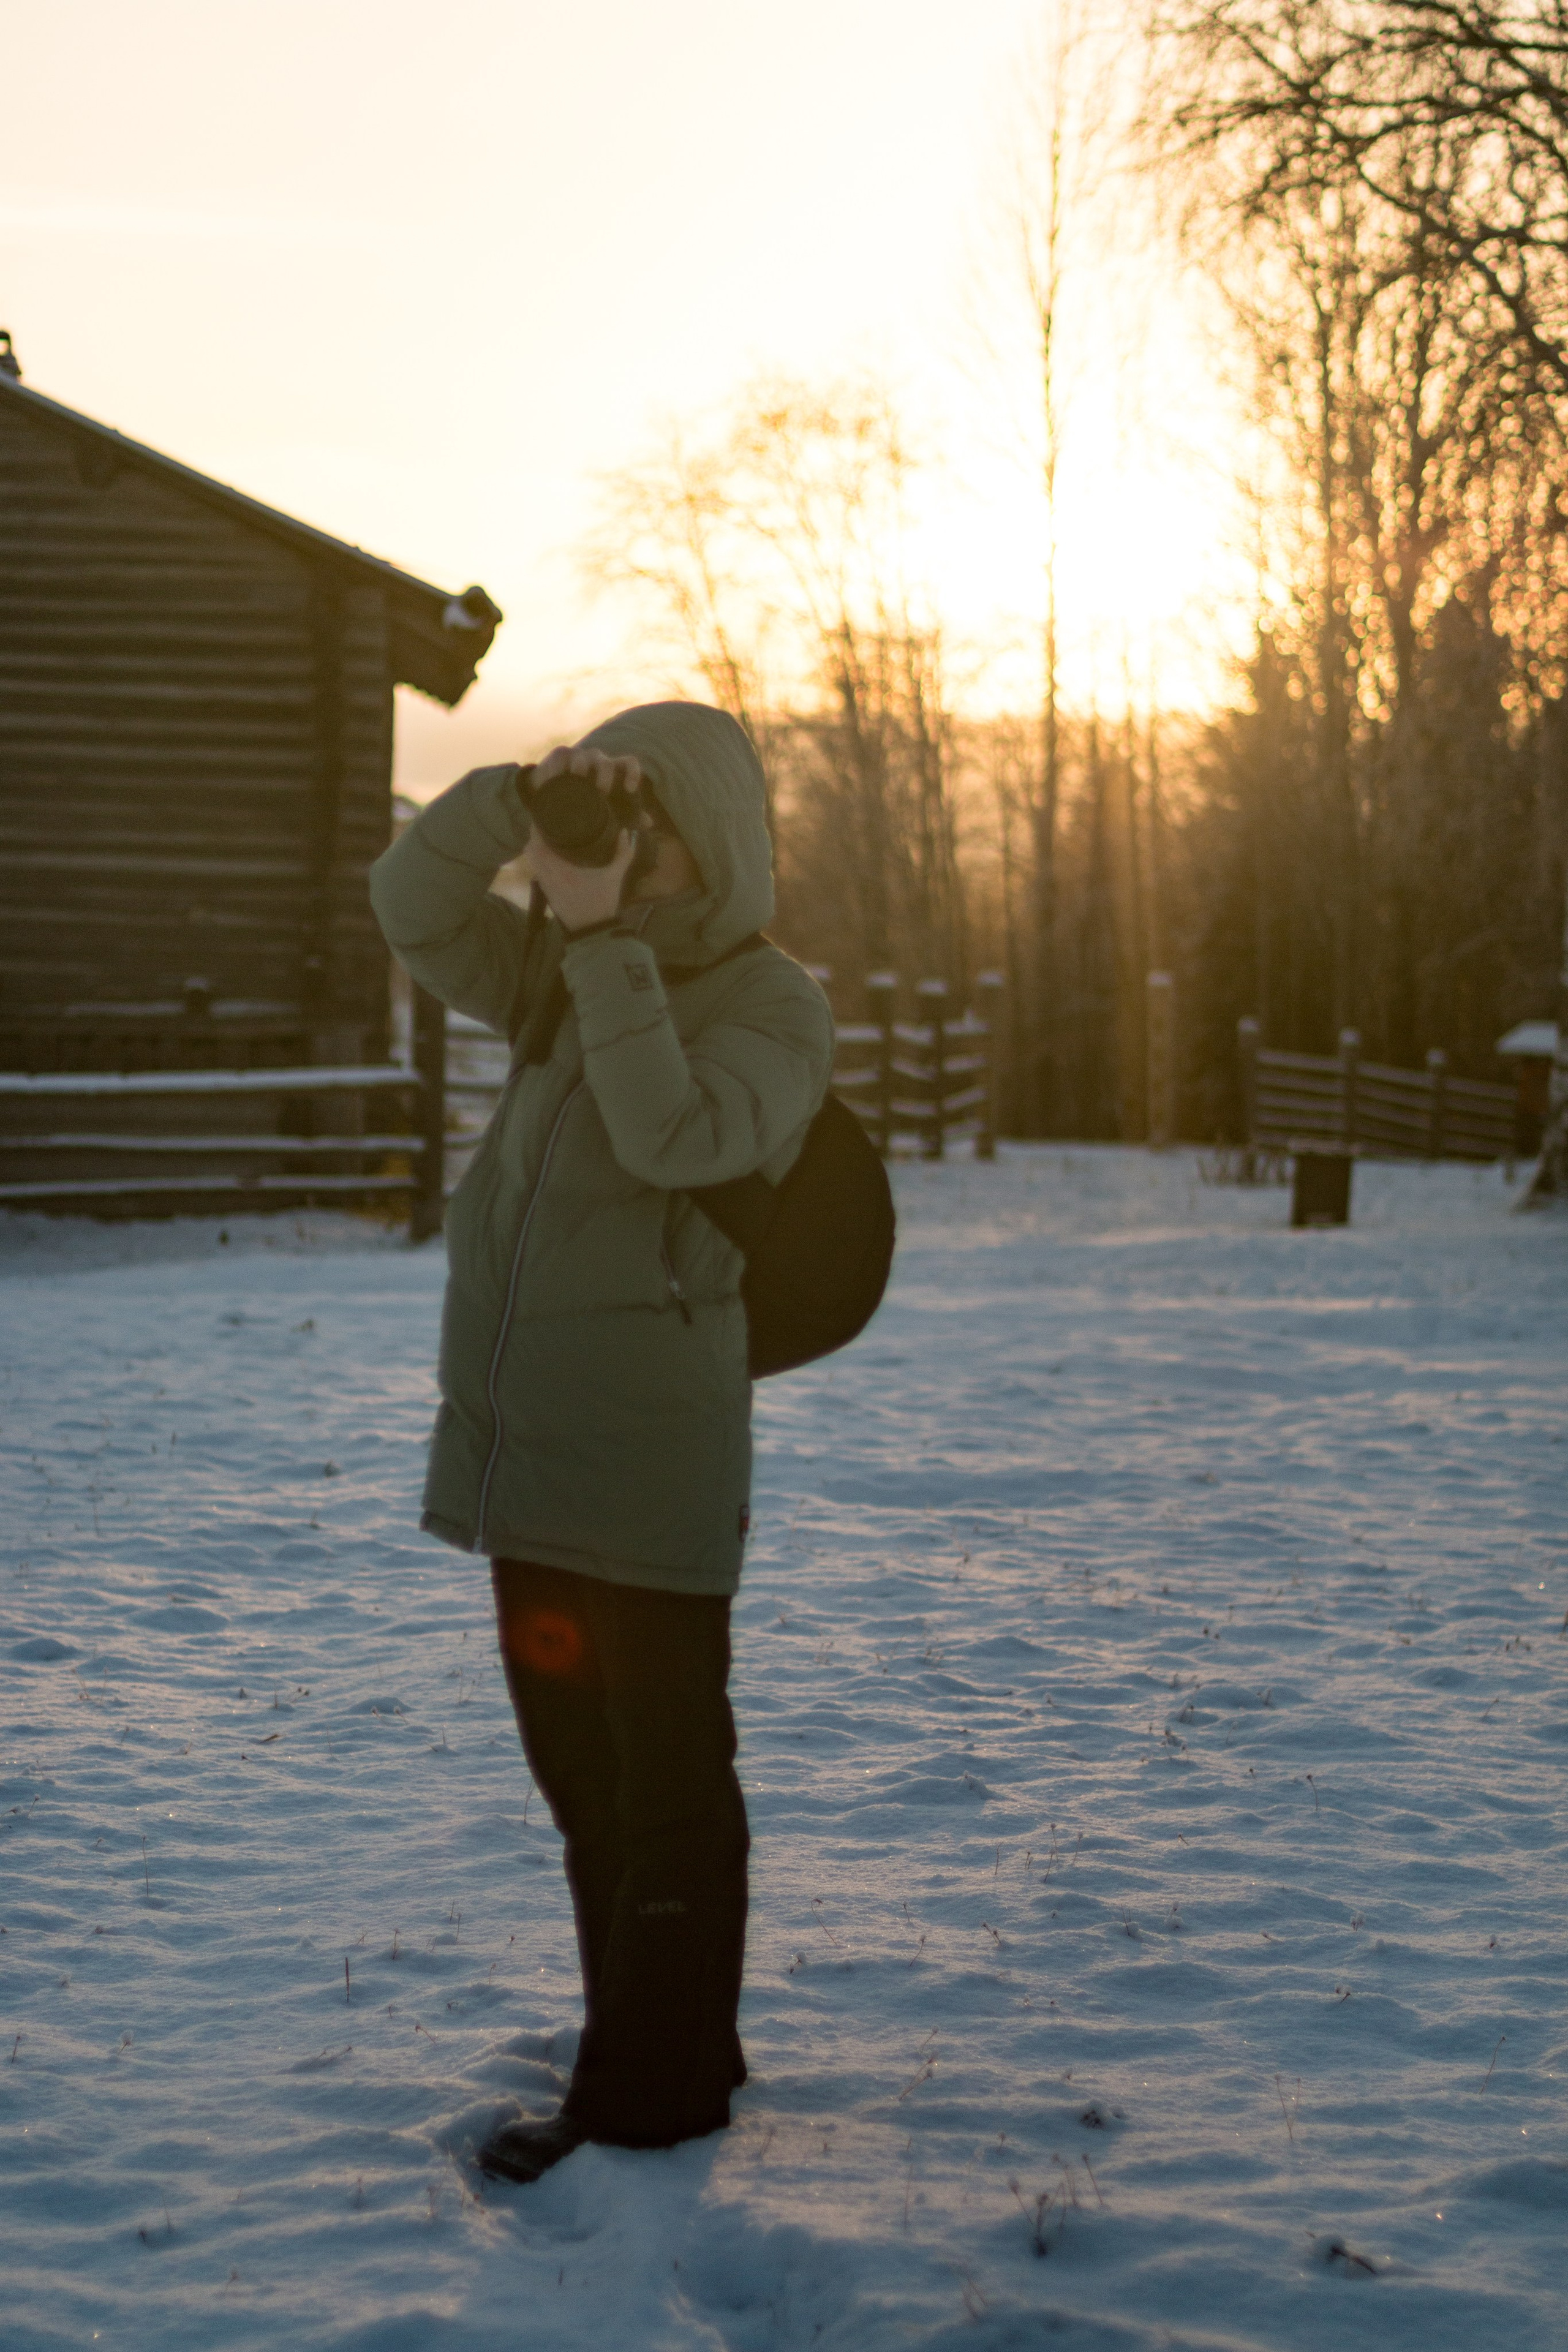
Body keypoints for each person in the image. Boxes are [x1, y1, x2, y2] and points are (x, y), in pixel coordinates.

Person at [369, 701, 834, 2182]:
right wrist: (518, 798)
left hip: (649, 1465)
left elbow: (672, 1138)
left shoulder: (772, 1006)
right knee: (586, 1789)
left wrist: (598, 938)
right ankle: (666, 2037)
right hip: (531, 1456)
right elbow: (407, 902)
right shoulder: (563, 972)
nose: (619, 848)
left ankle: (646, 2102)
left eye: (646, 824)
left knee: (666, 1787)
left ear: (712, 844)